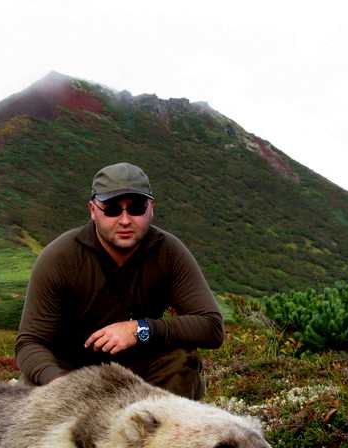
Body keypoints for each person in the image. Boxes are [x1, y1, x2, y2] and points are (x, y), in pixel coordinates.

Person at [15, 162, 224, 400]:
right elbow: (30, 342)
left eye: (136, 208)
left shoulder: (169, 252)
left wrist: (140, 329)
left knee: (181, 358)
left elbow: (211, 327)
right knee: (36, 381)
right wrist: (60, 382)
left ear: (151, 208)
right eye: (112, 209)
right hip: (69, 374)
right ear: (93, 210)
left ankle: (162, 433)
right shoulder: (60, 258)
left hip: (141, 375)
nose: (125, 220)